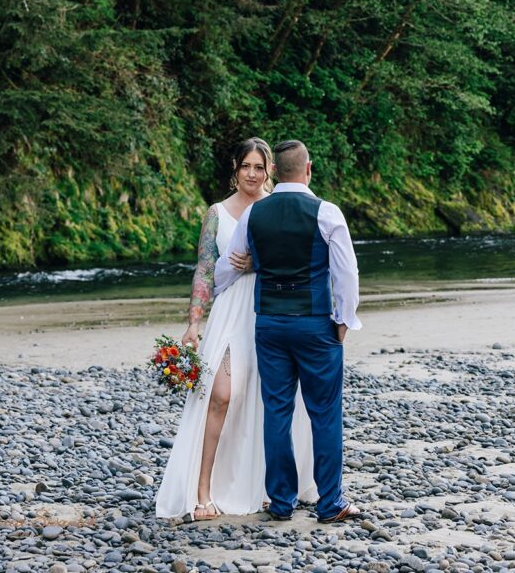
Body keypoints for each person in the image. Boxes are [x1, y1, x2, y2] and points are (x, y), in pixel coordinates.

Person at [155, 137, 316, 520]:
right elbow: (205, 269)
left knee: (273, 402)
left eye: (259, 167)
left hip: (271, 311)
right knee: (221, 395)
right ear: (235, 168)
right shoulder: (217, 212)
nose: (252, 173)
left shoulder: (278, 207)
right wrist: (194, 322)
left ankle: (266, 486)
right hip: (231, 312)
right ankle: (202, 490)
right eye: (246, 166)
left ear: (270, 171)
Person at [215, 139, 362, 523]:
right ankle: (329, 503)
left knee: (276, 411)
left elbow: (228, 266)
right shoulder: (327, 213)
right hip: (315, 323)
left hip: (270, 324)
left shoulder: (254, 214)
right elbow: (347, 273)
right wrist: (345, 321)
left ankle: (281, 501)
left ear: (275, 171)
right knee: (324, 412)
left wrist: (212, 297)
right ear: (308, 169)